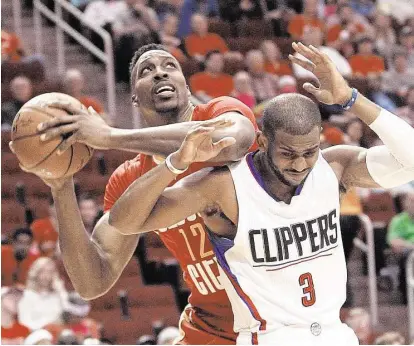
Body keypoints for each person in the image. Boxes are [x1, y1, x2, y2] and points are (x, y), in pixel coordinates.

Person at [104, 42, 414, 344]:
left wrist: (350, 98)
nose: (299, 164)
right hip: (267, 337)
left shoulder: (331, 169)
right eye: (288, 153)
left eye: (309, 152)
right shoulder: (224, 187)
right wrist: (171, 164)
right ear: (262, 141)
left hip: (334, 332)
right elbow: (125, 222)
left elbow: (410, 160)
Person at [14, 43, 257, 344]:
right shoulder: (129, 178)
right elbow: (92, 281)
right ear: (133, 96)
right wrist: (61, 186)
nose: (159, 74)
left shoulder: (219, 111)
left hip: (273, 310)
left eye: (170, 66)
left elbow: (234, 140)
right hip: (211, 325)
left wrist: (112, 137)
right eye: (147, 71)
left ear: (185, 82)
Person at [18, 257, 69, 330]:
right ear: (35, 273)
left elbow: (67, 311)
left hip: (57, 333)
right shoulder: (26, 296)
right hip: (37, 334)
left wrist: (61, 290)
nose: (46, 276)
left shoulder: (57, 295)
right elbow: (24, 323)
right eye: (42, 271)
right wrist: (47, 325)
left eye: (50, 272)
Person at [387, 191, 414, 304]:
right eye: (412, 201)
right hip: (407, 253)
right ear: (405, 203)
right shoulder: (398, 220)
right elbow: (393, 241)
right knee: (408, 254)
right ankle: (406, 295)